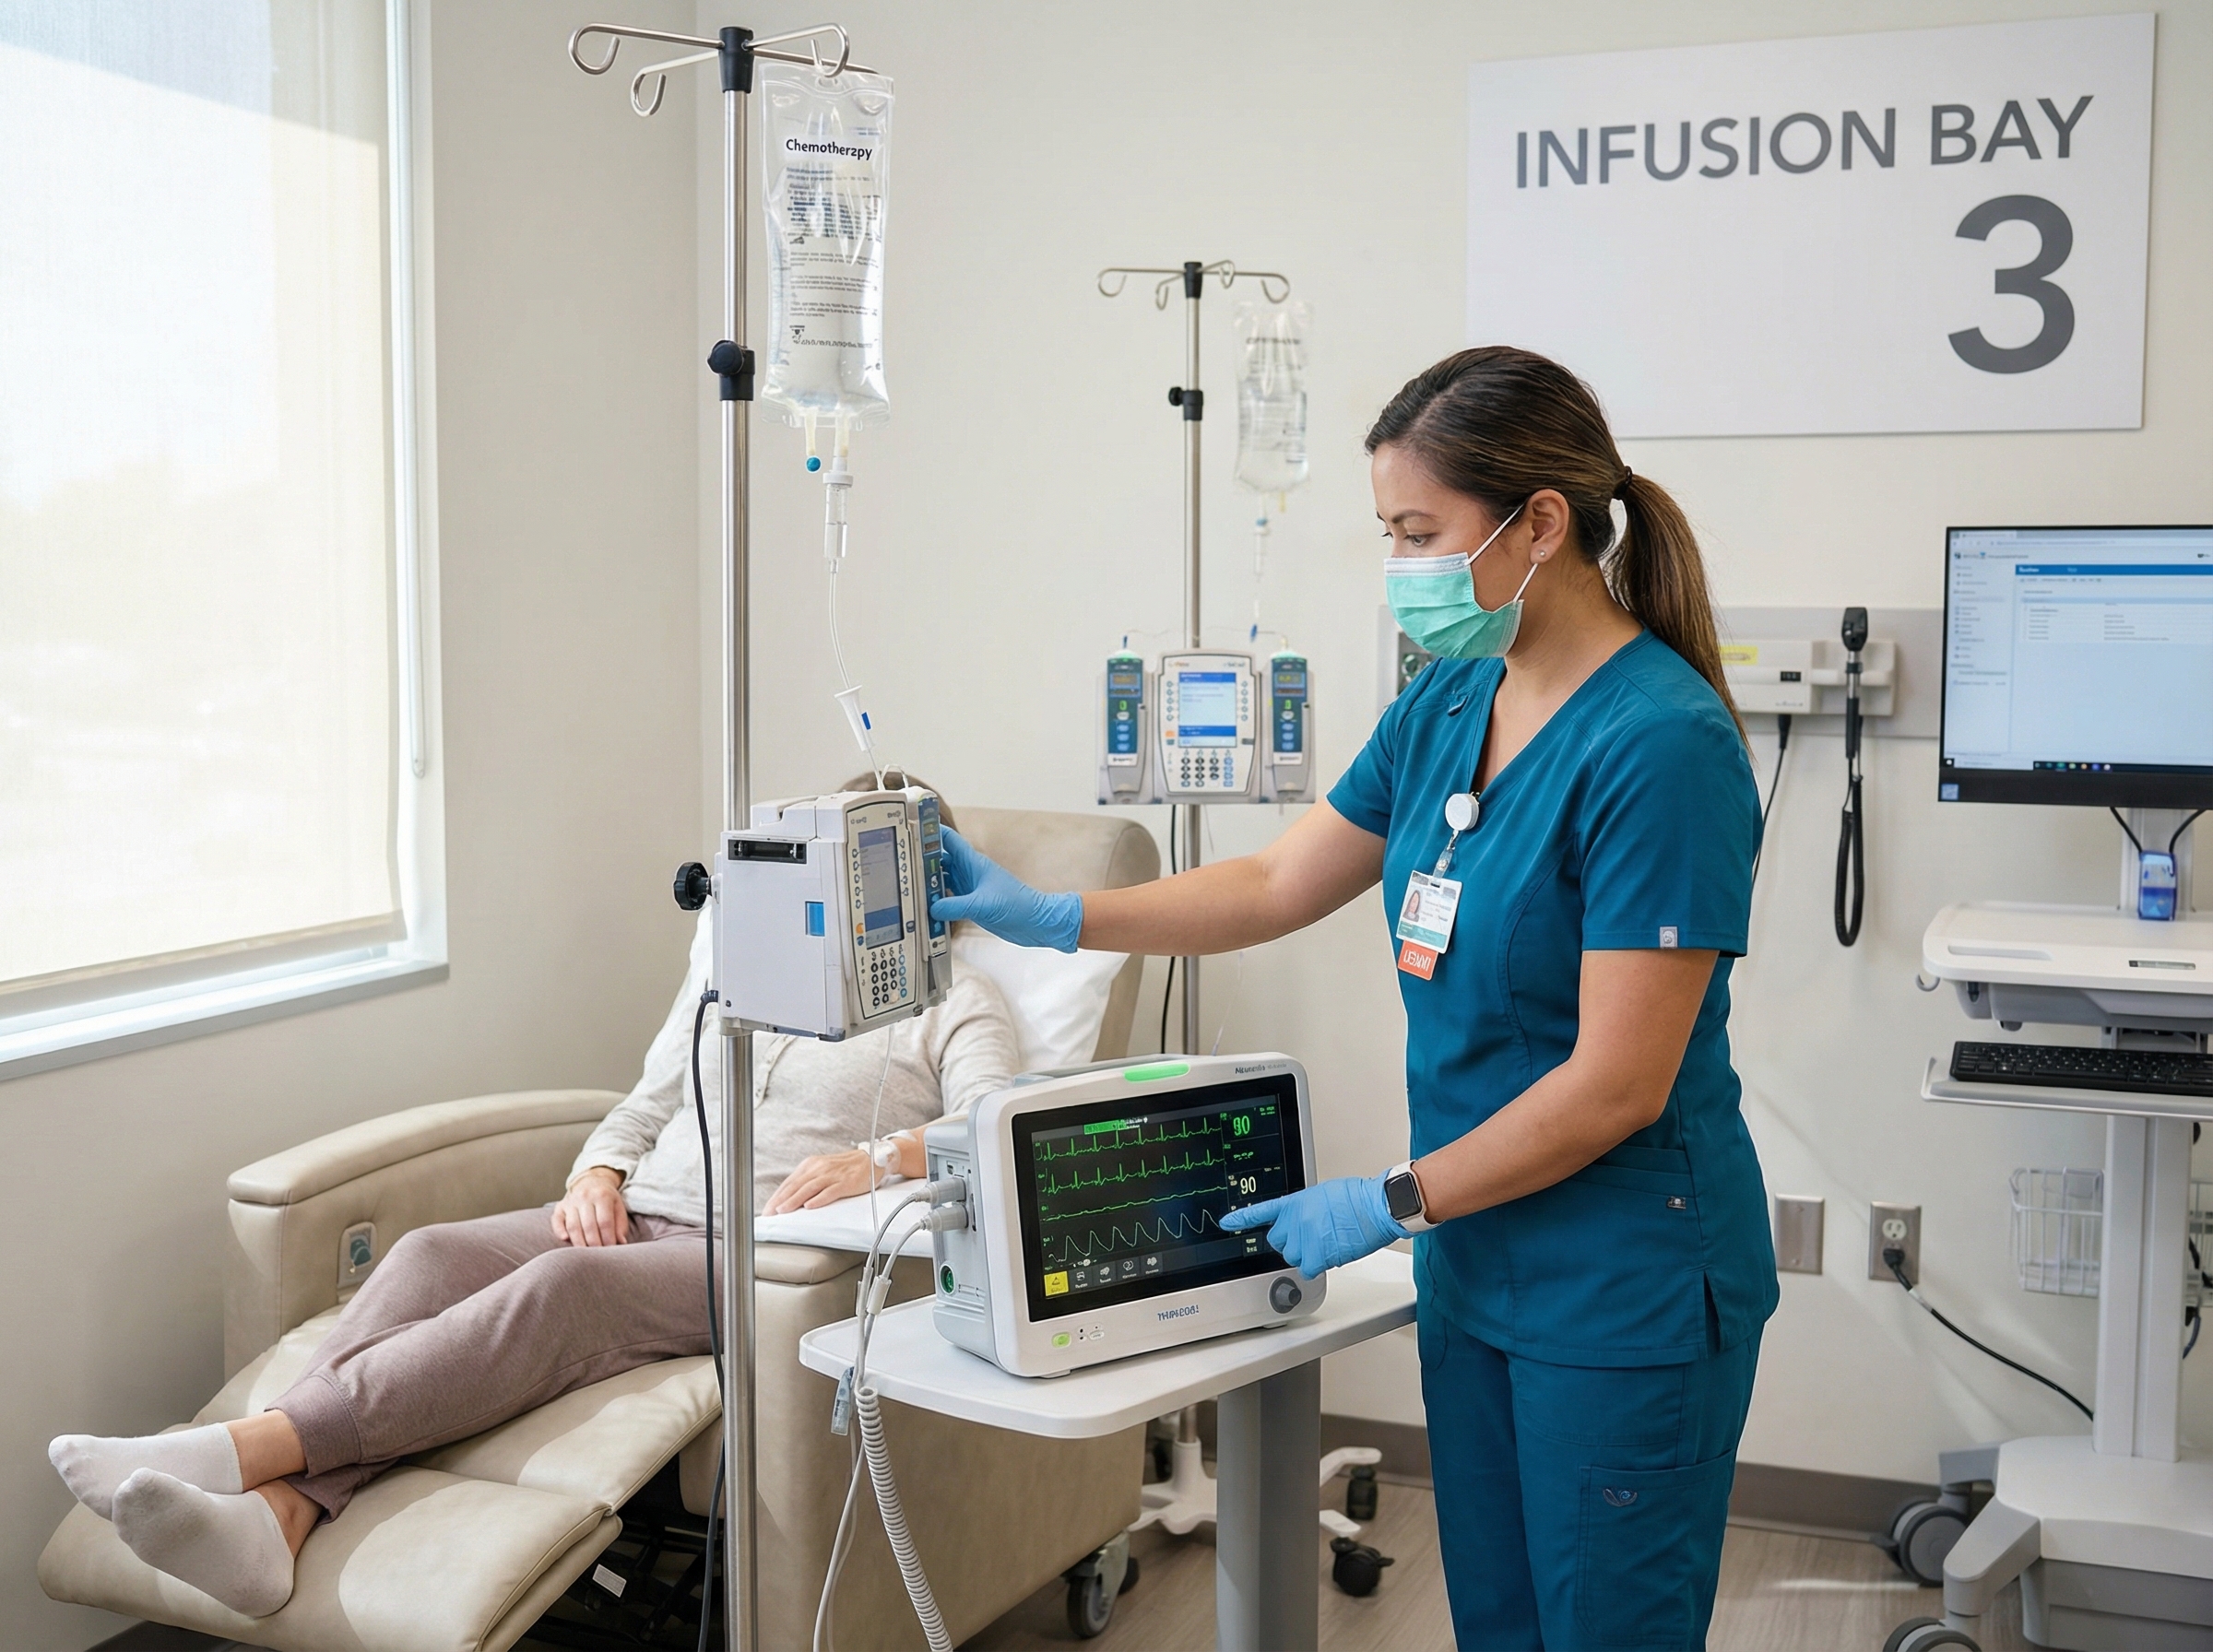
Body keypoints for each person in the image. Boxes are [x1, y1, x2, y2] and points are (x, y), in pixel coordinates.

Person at [934, 348, 1777, 1651]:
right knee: (1497, 1622)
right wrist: (1055, 915)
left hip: (1622, 1286)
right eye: (1389, 532)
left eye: (1420, 533)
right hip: (1477, 1255)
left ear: (1539, 524)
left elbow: (1618, 1084)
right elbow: (1276, 881)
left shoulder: (1661, 745)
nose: (1400, 565)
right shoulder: (1450, 697)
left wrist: (1389, 1200)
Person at [47, 772, 1014, 1617]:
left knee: (560, 1288)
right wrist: (597, 1173)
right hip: (637, 1211)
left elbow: (990, 1125)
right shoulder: (748, 971)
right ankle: (279, 1514)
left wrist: (880, 1157)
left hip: (756, 1257)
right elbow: (649, 1098)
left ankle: (242, 1449)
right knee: (427, 1253)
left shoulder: (960, 1001)